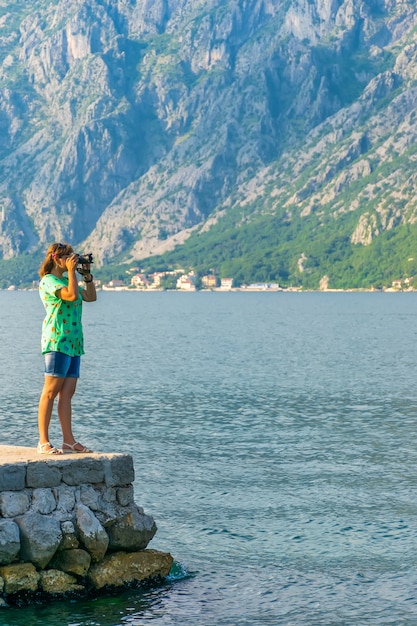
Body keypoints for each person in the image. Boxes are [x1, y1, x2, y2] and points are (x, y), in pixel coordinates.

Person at [37, 242, 97, 454]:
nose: (72, 260)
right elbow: (71, 295)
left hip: (74, 343)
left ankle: (68, 441)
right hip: (57, 341)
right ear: (56, 258)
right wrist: (72, 273)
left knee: (67, 393)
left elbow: (90, 296)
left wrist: (86, 276)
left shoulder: (64, 279)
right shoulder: (49, 281)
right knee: (51, 392)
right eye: (68, 257)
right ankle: (43, 441)